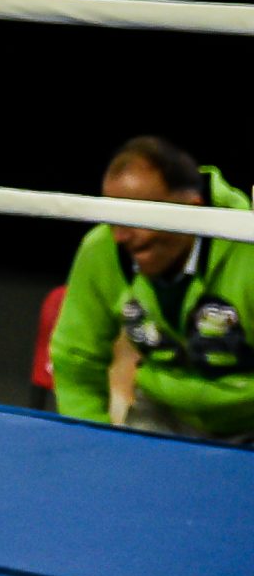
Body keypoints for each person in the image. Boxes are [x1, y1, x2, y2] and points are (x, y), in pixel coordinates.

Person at [51, 136, 254, 443]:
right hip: (162, 414)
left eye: (136, 218)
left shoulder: (247, 250)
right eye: (113, 219)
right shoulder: (102, 249)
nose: (120, 236)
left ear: (192, 209)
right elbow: (75, 359)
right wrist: (93, 443)